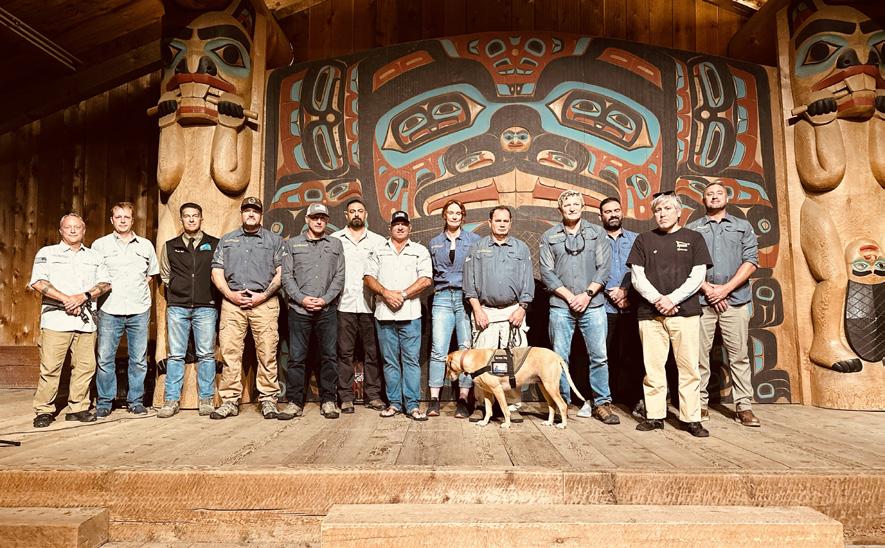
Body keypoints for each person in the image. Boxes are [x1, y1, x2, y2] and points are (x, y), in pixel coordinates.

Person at [627, 192, 712, 438]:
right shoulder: (644, 239)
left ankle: (691, 418)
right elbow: (637, 277)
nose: (662, 214)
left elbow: (698, 277)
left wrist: (672, 300)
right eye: (658, 210)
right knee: (653, 368)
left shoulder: (694, 238)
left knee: (689, 368)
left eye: (667, 209)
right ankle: (655, 416)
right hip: (650, 315)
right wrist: (658, 300)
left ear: (678, 212)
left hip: (685, 313)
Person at [686, 182, 761, 427]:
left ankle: (744, 407)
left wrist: (725, 290)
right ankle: (700, 403)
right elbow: (686, 266)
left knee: (739, 356)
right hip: (702, 300)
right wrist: (709, 290)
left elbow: (751, 261)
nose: (714, 197)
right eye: (710, 194)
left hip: (735, 301)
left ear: (727, 198)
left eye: (719, 193)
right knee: (699, 356)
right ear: (703, 200)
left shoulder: (743, 226)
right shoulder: (692, 229)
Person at [540, 190, 617, 424]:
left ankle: (602, 403)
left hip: (592, 305)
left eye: (576, 204)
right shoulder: (549, 236)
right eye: (567, 205)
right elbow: (546, 272)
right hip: (561, 306)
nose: (572, 208)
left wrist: (586, 295)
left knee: (599, 356)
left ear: (582, 207)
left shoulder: (597, 234)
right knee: (559, 358)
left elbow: (604, 268)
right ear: (560, 209)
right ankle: (561, 403)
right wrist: (569, 296)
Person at [29, 213, 111, 427]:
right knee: (50, 368)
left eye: (77, 227)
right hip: (56, 320)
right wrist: (67, 299)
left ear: (84, 230)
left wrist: (83, 297)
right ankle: (44, 410)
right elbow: (38, 282)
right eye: (68, 227)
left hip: (86, 321)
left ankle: (78, 408)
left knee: (85, 367)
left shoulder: (94, 256)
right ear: (61, 231)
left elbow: (105, 283)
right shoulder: (47, 253)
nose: (73, 230)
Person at [210, 197, 284, 420]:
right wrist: (230, 295)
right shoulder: (227, 240)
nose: (251, 214)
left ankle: (268, 400)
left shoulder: (274, 240)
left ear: (261, 215)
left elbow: (282, 273)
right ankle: (230, 401)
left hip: (265, 302)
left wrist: (263, 296)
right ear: (241, 214)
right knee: (230, 352)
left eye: (255, 211)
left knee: (267, 352)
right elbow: (216, 271)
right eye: (247, 210)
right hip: (233, 303)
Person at [463, 205, 534, 422]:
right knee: (482, 362)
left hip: (513, 311)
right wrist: (477, 310)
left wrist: (522, 308)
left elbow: (528, 282)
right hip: (485, 311)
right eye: (498, 220)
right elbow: (469, 284)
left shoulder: (521, 248)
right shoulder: (477, 248)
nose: (501, 224)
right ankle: (481, 404)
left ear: (510, 223)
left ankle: (512, 405)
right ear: (490, 222)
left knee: (514, 360)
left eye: (505, 221)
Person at [92, 202, 159, 417]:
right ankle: (105, 402)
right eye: (118, 217)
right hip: (109, 309)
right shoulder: (99, 245)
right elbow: (94, 275)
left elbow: (151, 274)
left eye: (126, 217)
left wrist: (136, 286)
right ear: (112, 220)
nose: (122, 220)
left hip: (138, 308)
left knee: (138, 359)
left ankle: (136, 400)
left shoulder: (145, 245)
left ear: (132, 220)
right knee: (105, 358)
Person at [364, 211, 432, 421]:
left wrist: (402, 295)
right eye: (396, 224)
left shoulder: (419, 251)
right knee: (390, 361)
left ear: (410, 227)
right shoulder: (378, 250)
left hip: (411, 315)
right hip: (384, 314)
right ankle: (394, 403)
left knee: (411, 361)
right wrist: (386, 293)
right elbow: (368, 277)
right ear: (390, 228)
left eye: (404, 224)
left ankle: (412, 405)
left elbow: (426, 279)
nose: (400, 227)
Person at [279, 203, 345, 420]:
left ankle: (328, 401)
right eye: (315, 217)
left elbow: (339, 276)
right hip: (299, 311)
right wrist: (302, 299)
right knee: (297, 358)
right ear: (307, 219)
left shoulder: (335, 244)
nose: (319, 221)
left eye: (322, 218)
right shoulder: (292, 244)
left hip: (327, 310)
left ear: (327, 221)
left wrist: (325, 299)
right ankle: (294, 402)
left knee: (329, 357)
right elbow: (286, 276)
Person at [156, 202, 220, 418]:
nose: (191, 219)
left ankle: (206, 399)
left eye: (195, 215)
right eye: (187, 216)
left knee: (206, 354)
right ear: (181, 219)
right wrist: (178, 288)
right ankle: (171, 400)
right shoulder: (170, 246)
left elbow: (219, 272)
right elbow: (165, 274)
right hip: (178, 307)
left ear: (201, 219)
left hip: (206, 306)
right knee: (175, 355)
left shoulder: (214, 244)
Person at [331, 198, 387, 412]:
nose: (356, 214)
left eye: (360, 211)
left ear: (366, 214)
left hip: (370, 305)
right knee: (344, 353)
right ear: (346, 215)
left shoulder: (378, 241)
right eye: (352, 211)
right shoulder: (335, 240)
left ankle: (373, 395)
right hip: (343, 304)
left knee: (372, 353)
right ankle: (345, 397)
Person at [427, 200, 480, 418]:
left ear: (463, 216)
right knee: (438, 350)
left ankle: (463, 399)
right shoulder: (434, 242)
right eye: (451, 212)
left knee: (466, 349)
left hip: (465, 298)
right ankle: (434, 400)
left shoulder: (474, 240)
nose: (455, 216)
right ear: (444, 215)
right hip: (442, 297)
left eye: (458, 213)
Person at [599, 196, 645, 419]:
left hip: (631, 306)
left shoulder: (637, 240)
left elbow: (642, 270)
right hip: (603, 307)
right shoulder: (595, 239)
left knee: (633, 355)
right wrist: (612, 292)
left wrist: (625, 292)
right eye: (608, 211)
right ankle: (603, 400)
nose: (613, 214)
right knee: (602, 355)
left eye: (616, 210)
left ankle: (634, 399)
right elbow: (591, 269)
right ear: (601, 216)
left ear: (622, 212)